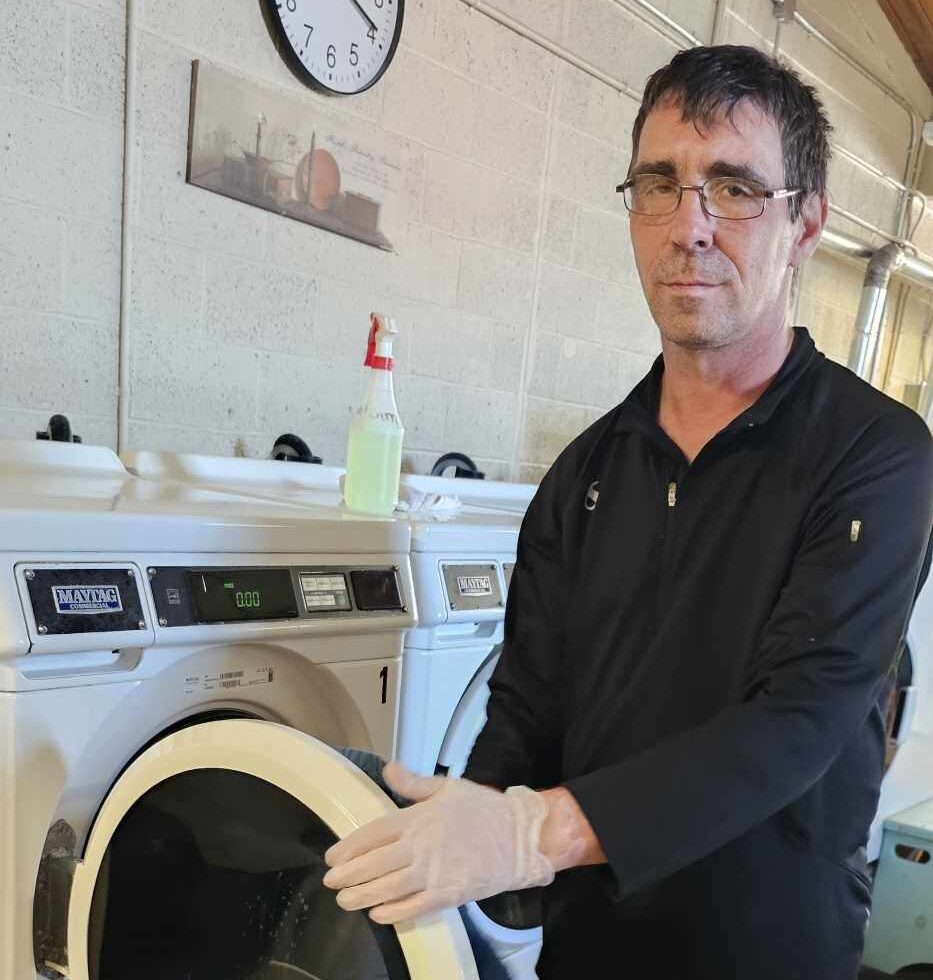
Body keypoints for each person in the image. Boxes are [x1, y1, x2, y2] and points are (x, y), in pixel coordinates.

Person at [322, 45, 933, 979]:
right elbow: (527, 708)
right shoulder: (584, 474)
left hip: (771, 948)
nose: (687, 226)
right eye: (659, 183)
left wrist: (534, 831)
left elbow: (797, 722)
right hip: (588, 950)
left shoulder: (875, 457)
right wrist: (466, 827)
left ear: (804, 224)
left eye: (732, 188)